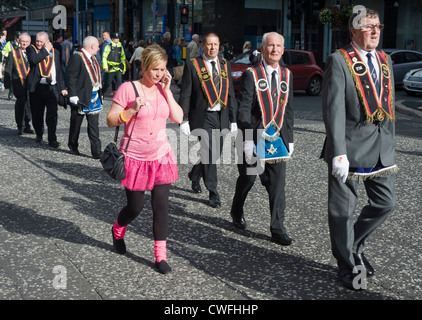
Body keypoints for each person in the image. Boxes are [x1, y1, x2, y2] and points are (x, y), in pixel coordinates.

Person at [321, 8, 397, 290]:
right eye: (368, 27)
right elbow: (334, 109)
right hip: (348, 149)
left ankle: (355, 246)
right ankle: (347, 263)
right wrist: (338, 151)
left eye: (378, 25)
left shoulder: (385, 59)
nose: (375, 31)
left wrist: (390, 143)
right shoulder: (339, 60)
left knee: (386, 203)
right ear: (353, 31)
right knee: (342, 211)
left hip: (380, 149)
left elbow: (386, 105)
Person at [106, 44, 183, 274]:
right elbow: (111, 120)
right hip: (135, 158)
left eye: (163, 69)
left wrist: (168, 91)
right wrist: (129, 112)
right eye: (155, 69)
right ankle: (118, 228)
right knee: (135, 207)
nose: (160, 74)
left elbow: (178, 117)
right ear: (144, 67)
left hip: (161, 156)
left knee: (161, 207)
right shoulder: (128, 89)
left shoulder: (163, 89)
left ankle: (160, 256)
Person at [230, 32, 294, 246]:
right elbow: (244, 108)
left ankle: (277, 228)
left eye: (278, 46)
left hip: (277, 140)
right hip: (253, 136)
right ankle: (236, 210)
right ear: (263, 49)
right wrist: (247, 139)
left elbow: (289, 111)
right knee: (247, 179)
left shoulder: (287, 75)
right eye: (270, 46)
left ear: (282, 50)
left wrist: (290, 140)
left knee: (277, 185)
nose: (274, 50)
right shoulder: (252, 74)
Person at [179, 32, 238, 208]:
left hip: (221, 115)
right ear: (202, 46)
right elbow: (186, 93)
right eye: (209, 44)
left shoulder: (225, 64)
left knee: (214, 153)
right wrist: (184, 119)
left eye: (216, 44)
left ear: (219, 46)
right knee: (210, 153)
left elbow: (230, 94)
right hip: (202, 116)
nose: (213, 48)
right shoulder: (193, 65)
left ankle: (195, 174)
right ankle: (213, 192)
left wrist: (234, 119)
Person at [26, 31, 67, 147]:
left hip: (52, 87)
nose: (38, 43)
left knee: (52, 115)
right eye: (37, 41)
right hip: (37, 87)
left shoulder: (56, 52)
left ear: (47, 41)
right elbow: (34, 60)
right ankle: (39, 133)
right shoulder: (31, 49)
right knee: (37, 114)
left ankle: (52, 139)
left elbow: (59, 72)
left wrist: (63, 87)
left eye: (41, 42)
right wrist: (45, 50)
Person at [66, 36, 103, 159]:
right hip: (81, 96)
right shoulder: (77, 57)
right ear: (92, 46)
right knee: (76, 123)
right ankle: (73, 145)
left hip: (94, 96)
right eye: (97, 46)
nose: (98, 48)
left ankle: (96, 151)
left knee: (94, 125)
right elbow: (71, 77)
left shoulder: (93, 58)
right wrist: (73, 95)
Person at [4, 32, 34, 135]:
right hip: (18, 84)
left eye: (27, 41)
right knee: (21, 104)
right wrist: (7, 84)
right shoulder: (14, 53)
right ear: (19, 41)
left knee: (29, 104)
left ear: (30, 42)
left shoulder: (33, 52)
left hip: (31, 85)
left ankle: (27, 124)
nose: (24, 43)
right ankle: (20, 126)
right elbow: (8, 69)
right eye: (23, 41)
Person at [102, 32, 126, 97]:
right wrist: (105, 67)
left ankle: (121, 95)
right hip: (111, 68)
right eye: (116, 38)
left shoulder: (120, 47)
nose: (117, 39)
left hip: (118, 68)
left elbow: (123, 58)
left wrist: (124, 69)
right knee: (108, 82)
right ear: (112, 39)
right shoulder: (109, 46)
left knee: (119, 82)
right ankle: (101, 94)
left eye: (118, 38)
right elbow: (104, 57)